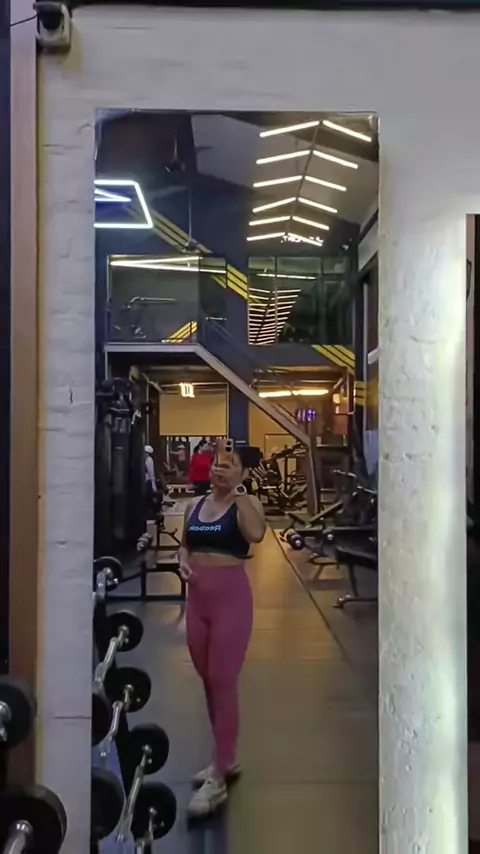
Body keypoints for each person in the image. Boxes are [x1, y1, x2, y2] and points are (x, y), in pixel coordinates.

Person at [179, 443, 266, 817]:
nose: (220, 470)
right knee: (207, 679)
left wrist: (239, 493)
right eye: (217, 464)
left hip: (231, 601)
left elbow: (256, 534)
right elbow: (186, 545)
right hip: (197, 601)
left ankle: (217, 778)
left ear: (243, 473)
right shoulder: (194, 506)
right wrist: (182, 562)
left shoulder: (246, 504)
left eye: (229, 466)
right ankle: (225, 758)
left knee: (222, 680)